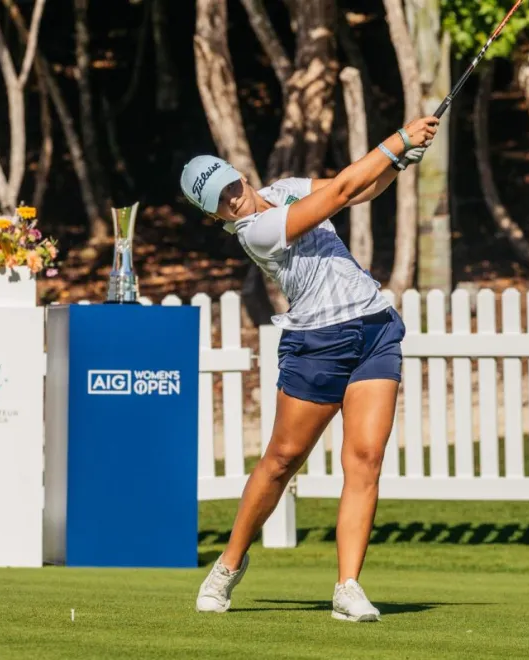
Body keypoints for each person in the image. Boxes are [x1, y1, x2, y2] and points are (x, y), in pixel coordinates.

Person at [178, 115, 440, 623]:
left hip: (375, 329)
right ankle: (228, 565)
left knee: (365, 458)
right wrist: (398, 141)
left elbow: (361, 188)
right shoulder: (257, 231)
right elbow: (341, 190)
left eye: (231, 185)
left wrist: (400, 163)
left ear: (237, 173)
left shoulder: (284, 190)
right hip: (318, 345)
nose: (234, 197)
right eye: (221, 201)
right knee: (282, 460)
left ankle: (348, 587)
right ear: (216, 216)